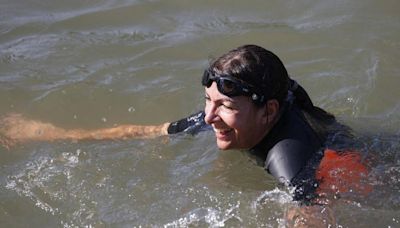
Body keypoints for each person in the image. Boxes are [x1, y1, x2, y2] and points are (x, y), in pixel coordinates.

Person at [0, 45, 371, 225]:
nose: (208, 117)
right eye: (207, 102)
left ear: (269, 110)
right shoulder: (243, 111)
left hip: (363, 168)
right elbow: (152, 132)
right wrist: (46, 134)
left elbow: (314, 215)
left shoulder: (291, 161)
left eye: (222, 106)